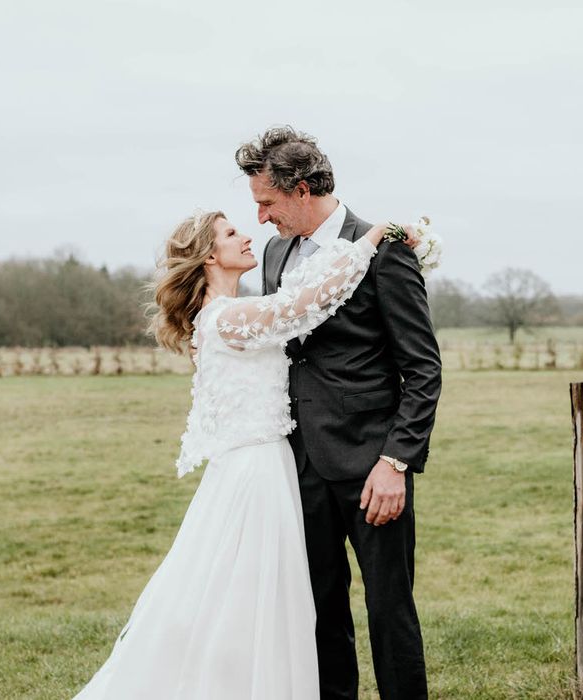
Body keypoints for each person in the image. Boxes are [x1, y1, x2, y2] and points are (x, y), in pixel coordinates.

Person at [72, 207, 414, 699]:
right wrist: (368, 242)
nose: (247, 235)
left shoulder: (228, 314)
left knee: (259, 602)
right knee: (247, 603)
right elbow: (306, 303)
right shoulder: (229, 319)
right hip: (257, 475)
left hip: (270, 467)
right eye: (232, 233)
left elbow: (292, 302)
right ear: (211, 255)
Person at [235, 126, 442, 700]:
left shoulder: (385, 249)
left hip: (372, 465)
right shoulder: (276, 253)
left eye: (267, 203)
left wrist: (396, 461)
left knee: (389, 610)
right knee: (319, 612)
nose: (261, 219)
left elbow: (423, 368)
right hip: (299, 466)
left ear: (301, 190)